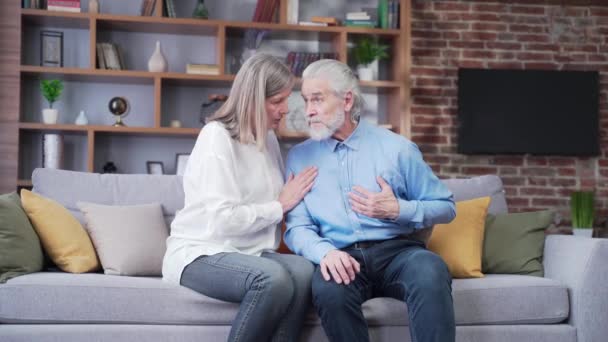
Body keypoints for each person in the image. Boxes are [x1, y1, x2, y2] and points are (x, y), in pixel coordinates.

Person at [284, 59, 457, 342]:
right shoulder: (299, 157)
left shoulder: (397, 148)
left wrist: (398, 209)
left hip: (399, 253)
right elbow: (297, 227)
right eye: (305, 101)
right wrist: (324, 253)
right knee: (328, 288)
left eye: (317, 99)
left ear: (347, 100)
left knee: (430, 270)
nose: (308, 111)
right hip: (341, 255)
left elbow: (446, 207)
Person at [162, 53, 317, 342]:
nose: (285, 109)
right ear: (253, 99)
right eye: (276, 101)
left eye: (286, 99)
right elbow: (223, 221)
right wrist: (280, 205)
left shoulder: (269, 139)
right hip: (201, 251)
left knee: (304, 270)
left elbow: (286, 200)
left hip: (251, 252)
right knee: (272, 279)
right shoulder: (216, 137)